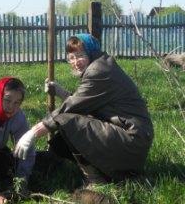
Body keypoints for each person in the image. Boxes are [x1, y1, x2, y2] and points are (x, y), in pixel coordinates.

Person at [15, 34, 154, 186]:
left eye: (80, 56)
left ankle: (97, 181)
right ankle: (57, 163)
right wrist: (61, 92)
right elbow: (84, 102)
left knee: (65, 120)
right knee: (67, 131)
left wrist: (33, 133)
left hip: (131, 140)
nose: (75, 62)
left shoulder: (99, 71)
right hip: (131, 138)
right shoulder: (102, 65)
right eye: (71, 57)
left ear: (91, 53)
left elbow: (70, 108)